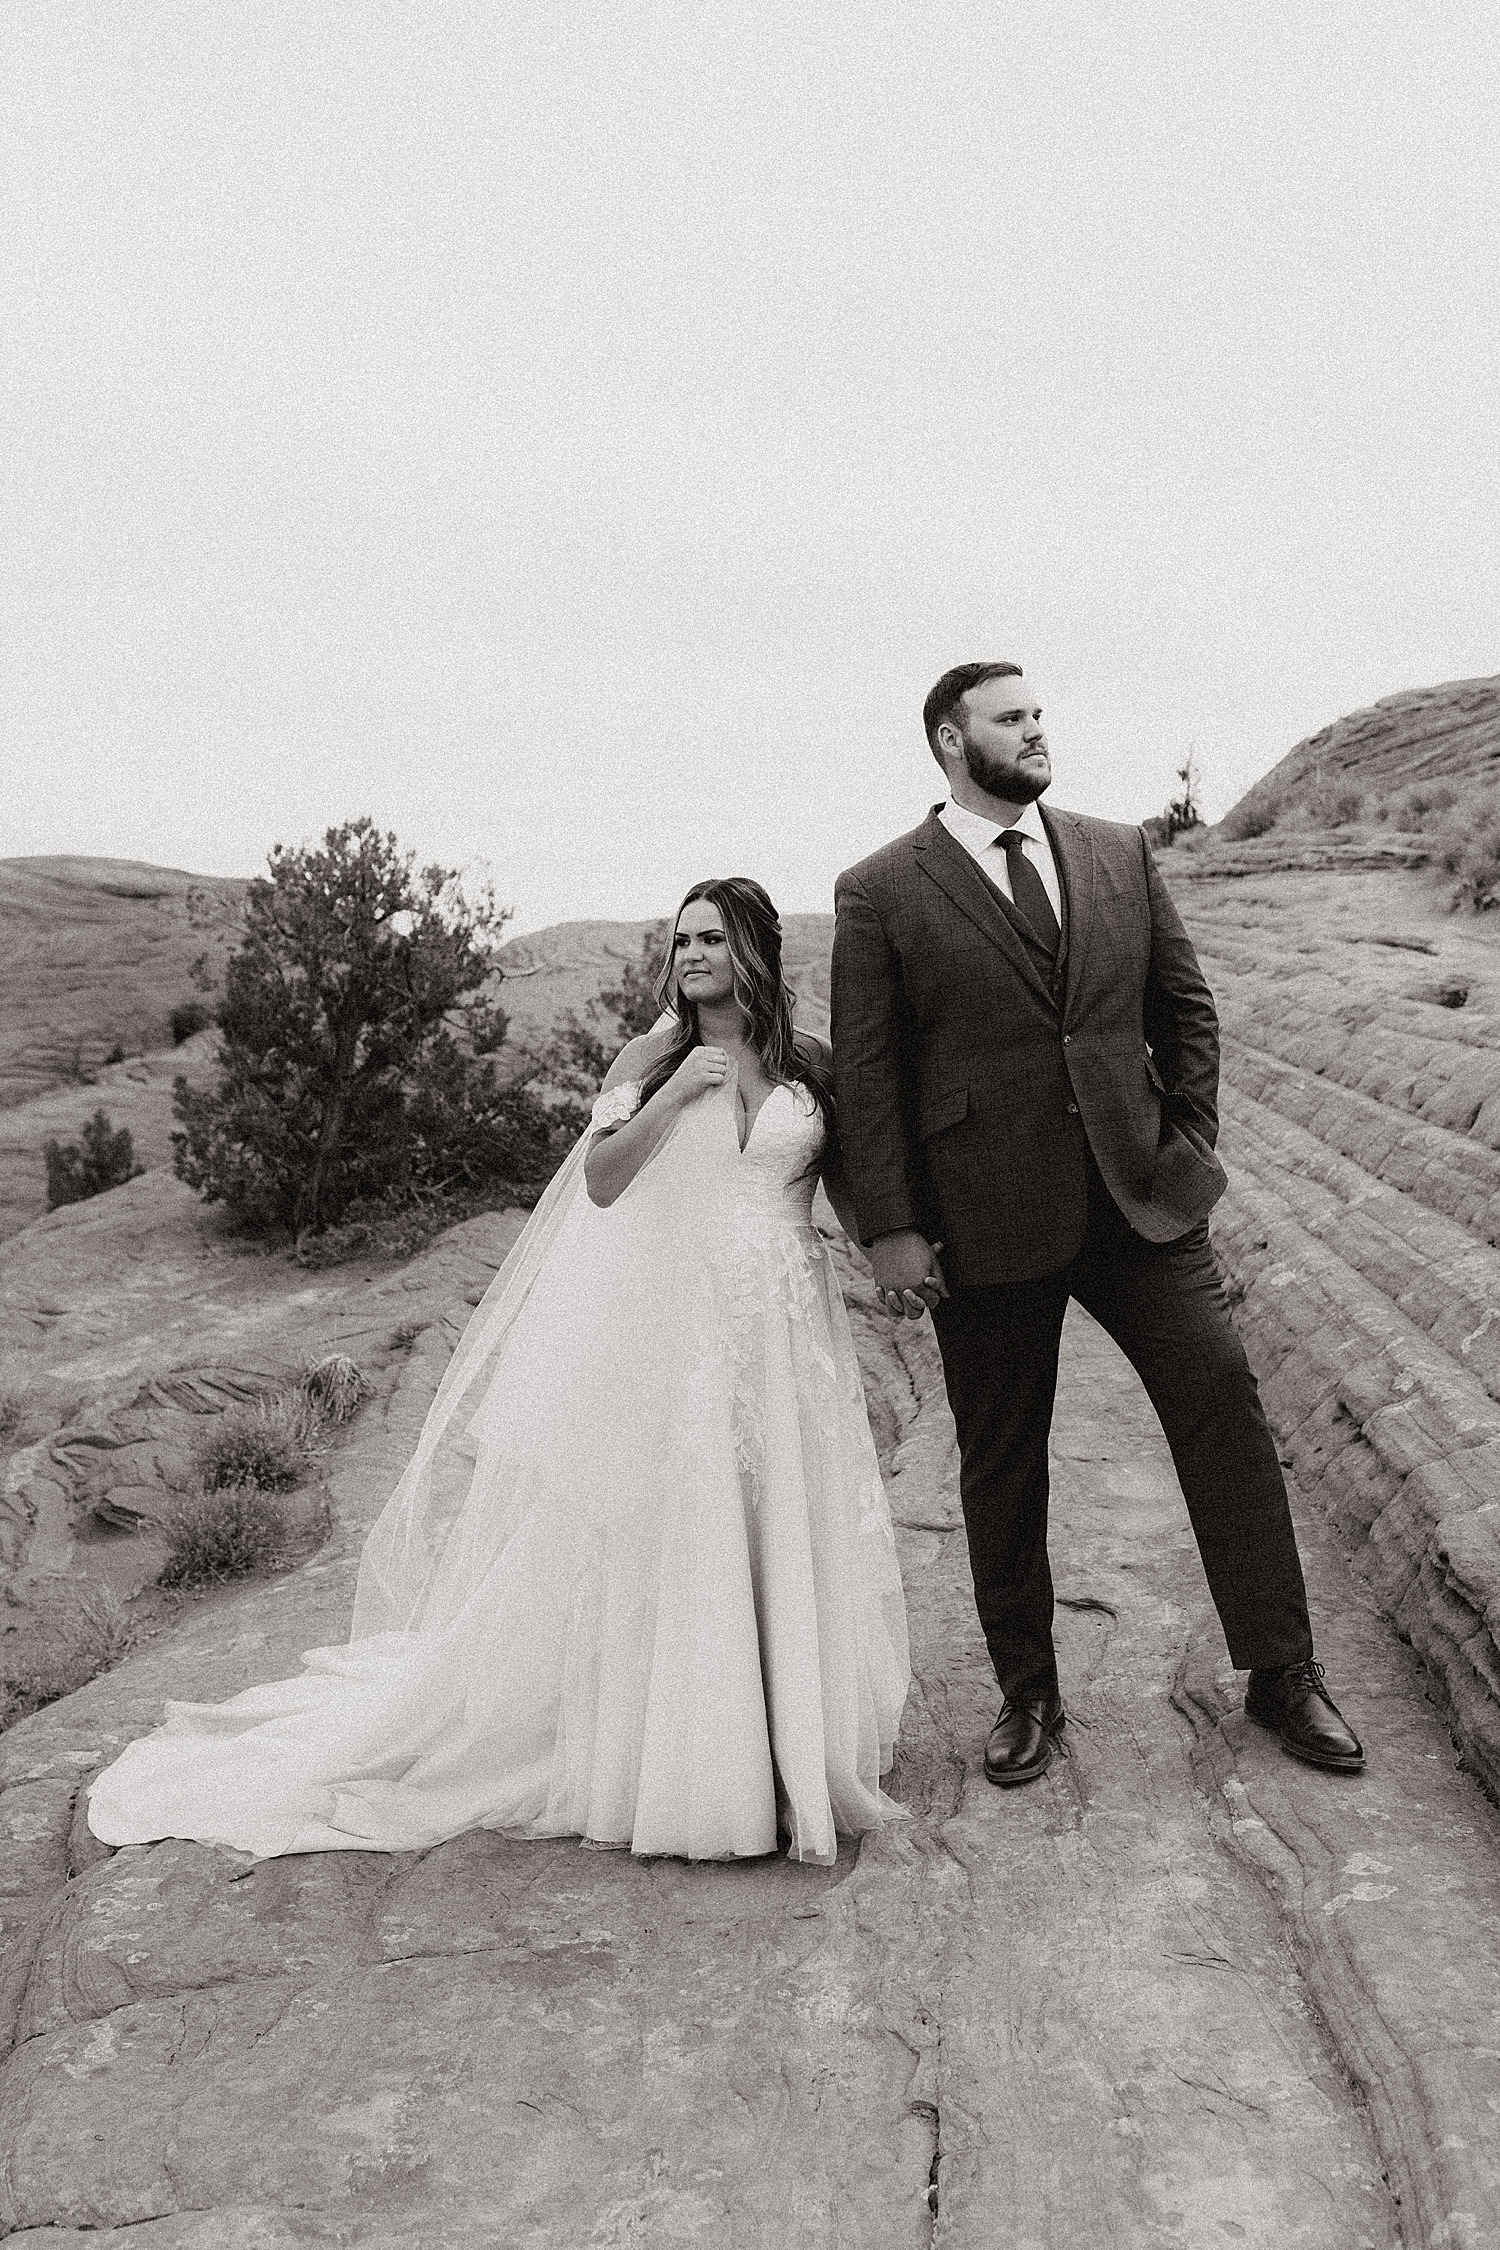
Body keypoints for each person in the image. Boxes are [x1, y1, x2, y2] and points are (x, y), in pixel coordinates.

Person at [88, 878, 910, 1866]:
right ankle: (703, 1769)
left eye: (713, 939)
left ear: (757, 952)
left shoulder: (808, 1064)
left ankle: (796, 1745)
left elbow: (848, 1187)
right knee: (693, 1533)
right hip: (690, 1336)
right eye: (683, 939)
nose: (692, 955)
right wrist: (676, 1093)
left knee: (786, 1519)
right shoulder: (650, 1058)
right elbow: (602, 1183)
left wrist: (896, 1263)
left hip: (788, 1331)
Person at [830, 662, 1363, 1786]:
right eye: (1010, 718)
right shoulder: (880, 890)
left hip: (1141, 1206)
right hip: (982, 1224)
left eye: (1038, 715)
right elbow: (871, 1078)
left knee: (1221, 1401)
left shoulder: (1117, 850)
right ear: (947, 739)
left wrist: (1189, 1143)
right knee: (1003, 1464)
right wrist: (893, 1228)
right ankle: (1029, 1697)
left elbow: (1185, 1008)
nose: (1034, 732)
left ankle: (1282, 1674)